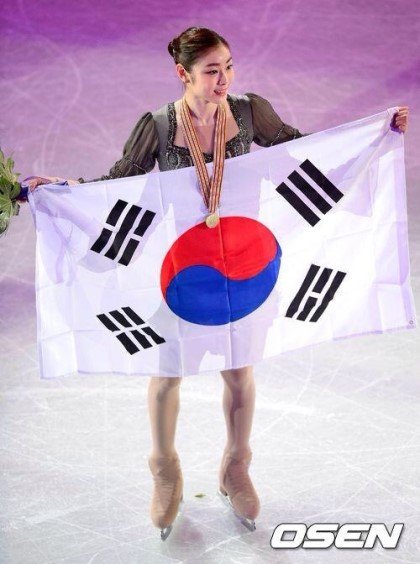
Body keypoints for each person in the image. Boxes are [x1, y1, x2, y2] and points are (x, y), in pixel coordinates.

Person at [22, 27, 409, 540]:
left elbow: (302, 154)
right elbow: (120, 183)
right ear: (182, 74)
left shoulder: (249, 113)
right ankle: (165, 469)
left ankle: (235, 466)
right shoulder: (159, 126)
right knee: (166, 374)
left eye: (228, 66)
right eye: (211, 70)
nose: (224, 78)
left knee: (239, 370)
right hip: (185, 271)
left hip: (245, 266)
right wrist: (61, 190)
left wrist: (377, 134)